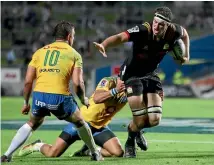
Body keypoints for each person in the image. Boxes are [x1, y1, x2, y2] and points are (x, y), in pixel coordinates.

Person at [93, 6, 190, 158]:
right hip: (131, 76)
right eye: (155, 22)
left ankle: (135, 131)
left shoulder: (175, 32)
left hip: (151, 74)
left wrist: (186, 56)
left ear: (168, 26)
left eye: (161, 25)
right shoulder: (143, 30)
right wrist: (104, 44)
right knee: (139, 119)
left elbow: (185, 35)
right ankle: (130, 141)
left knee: (154, 120)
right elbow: (120, 37)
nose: (156, 26)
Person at [1, 21, 103, 163]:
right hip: (60, 98)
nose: (73, 39)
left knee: (32, 123)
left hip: (39, 96)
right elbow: (78, 83)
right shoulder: (74, 54)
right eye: (73, 36)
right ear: (69, 36)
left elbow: (28, 81)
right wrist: (83, 99)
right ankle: (94, 153)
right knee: (80, 122)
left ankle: (7, 155)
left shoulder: (39, 52)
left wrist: (25, 102)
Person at [18, 76, 127, 158]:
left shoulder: (130, 91)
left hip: (99, 127)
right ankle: (37, 145)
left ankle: (87, 151)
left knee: (118, 153)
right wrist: (115, 90)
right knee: (53, 153)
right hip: (81, 122)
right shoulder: (108, 81)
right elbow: (97, 98)